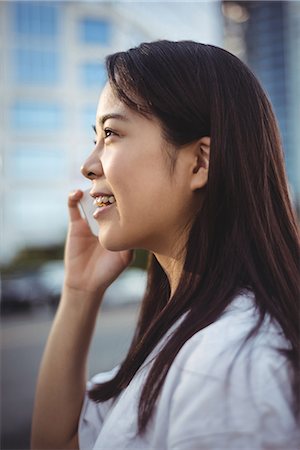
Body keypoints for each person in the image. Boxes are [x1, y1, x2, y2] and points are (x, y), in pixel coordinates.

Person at [31, 40, 300, 449]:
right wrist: (79, 291)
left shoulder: (226, 365)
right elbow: (58, 441)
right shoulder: (189, 330)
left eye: (111, 133)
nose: (88, 165)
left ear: (200, 162)